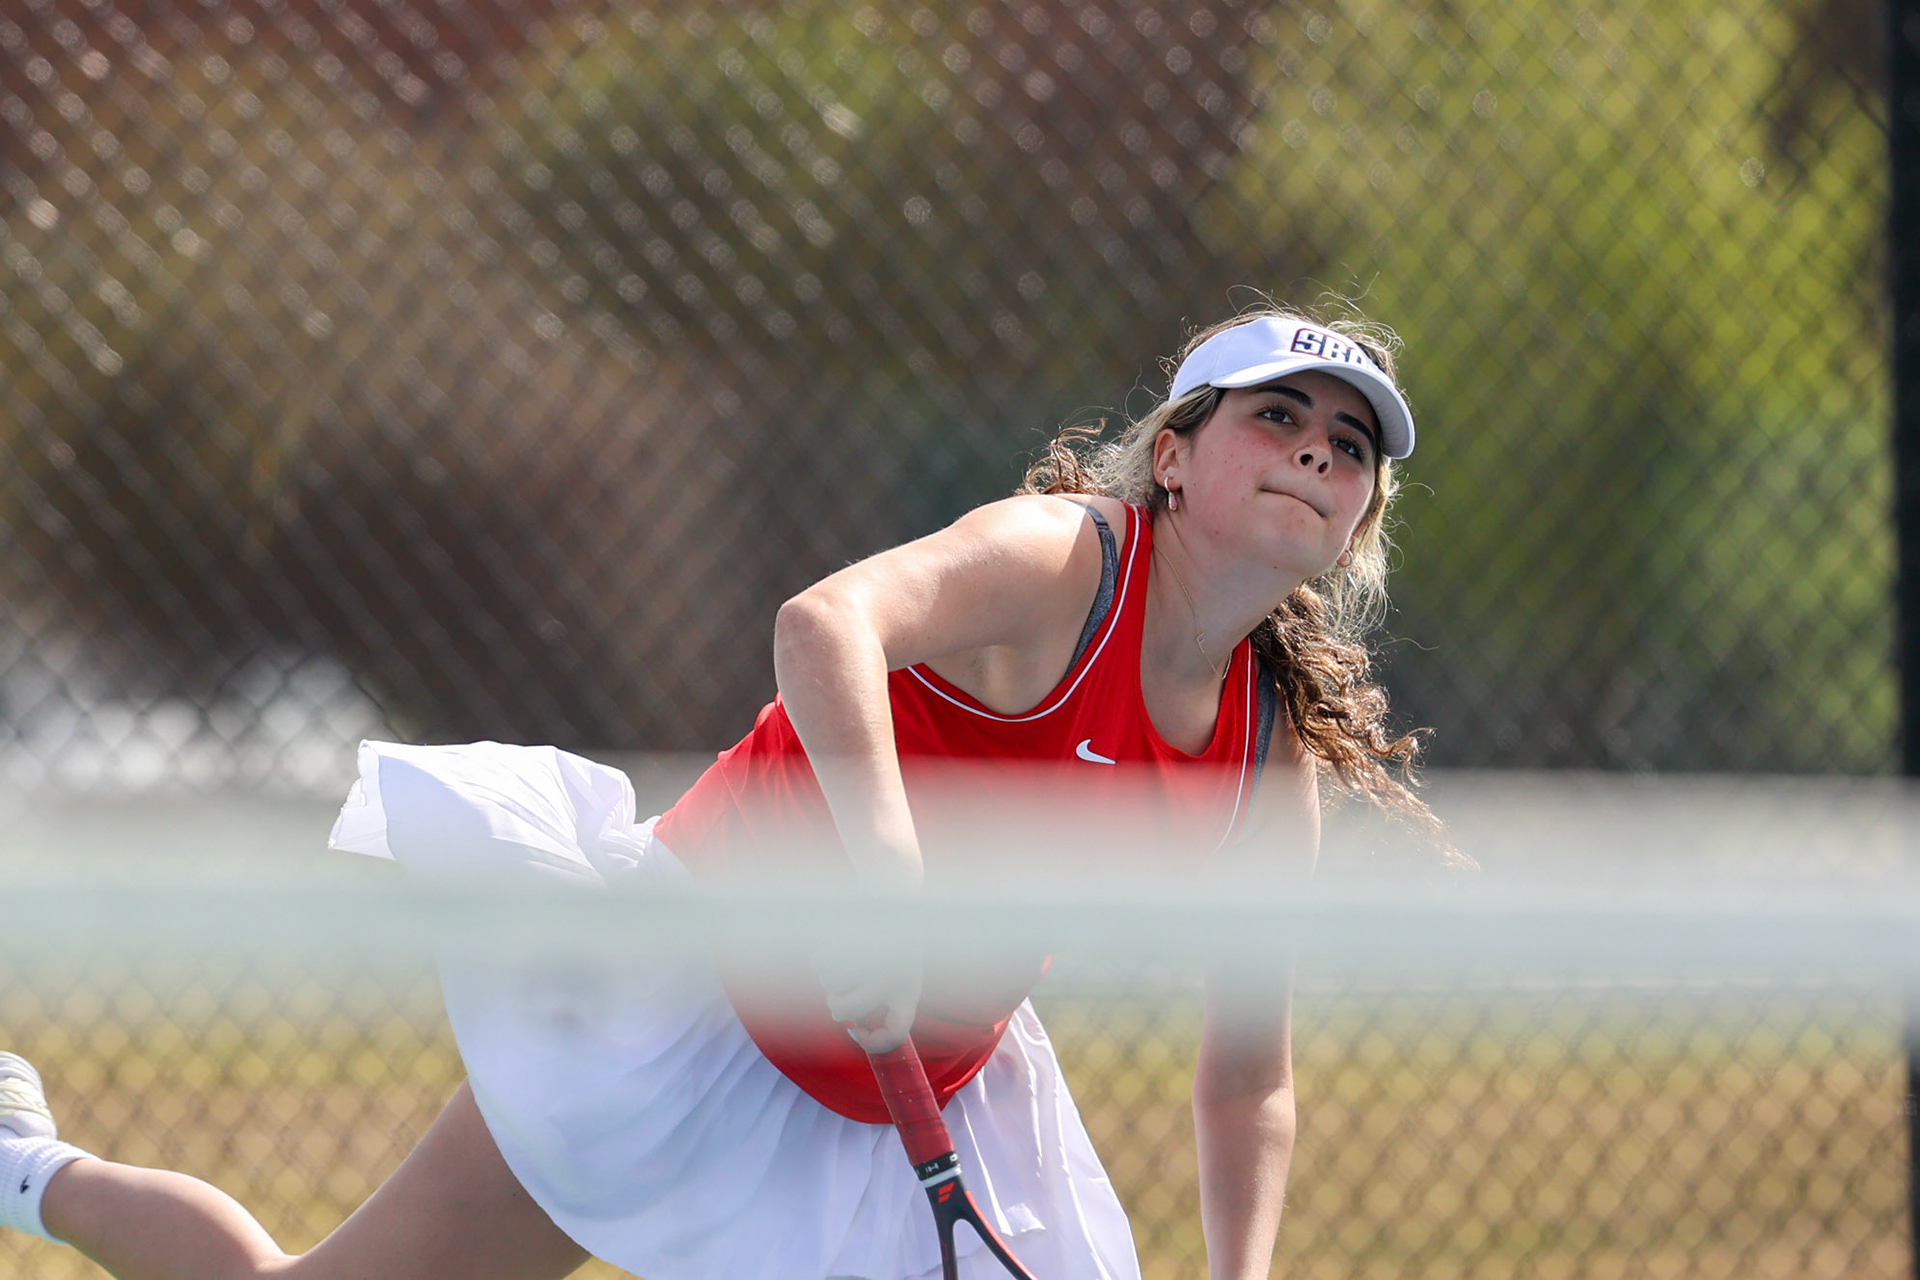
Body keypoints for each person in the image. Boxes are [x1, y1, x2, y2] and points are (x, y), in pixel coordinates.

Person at [0, 305, 1438, 1280]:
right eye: (1280, 413)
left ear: (1362, 514)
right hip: (683, 998)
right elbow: (827, 623)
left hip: (915, 1096)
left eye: (1352, 442)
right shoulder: (1065, 560)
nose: (1320, 445)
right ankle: (25, 1165)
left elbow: (1250, 1077)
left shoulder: (1264, 762)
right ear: (1174, 458)